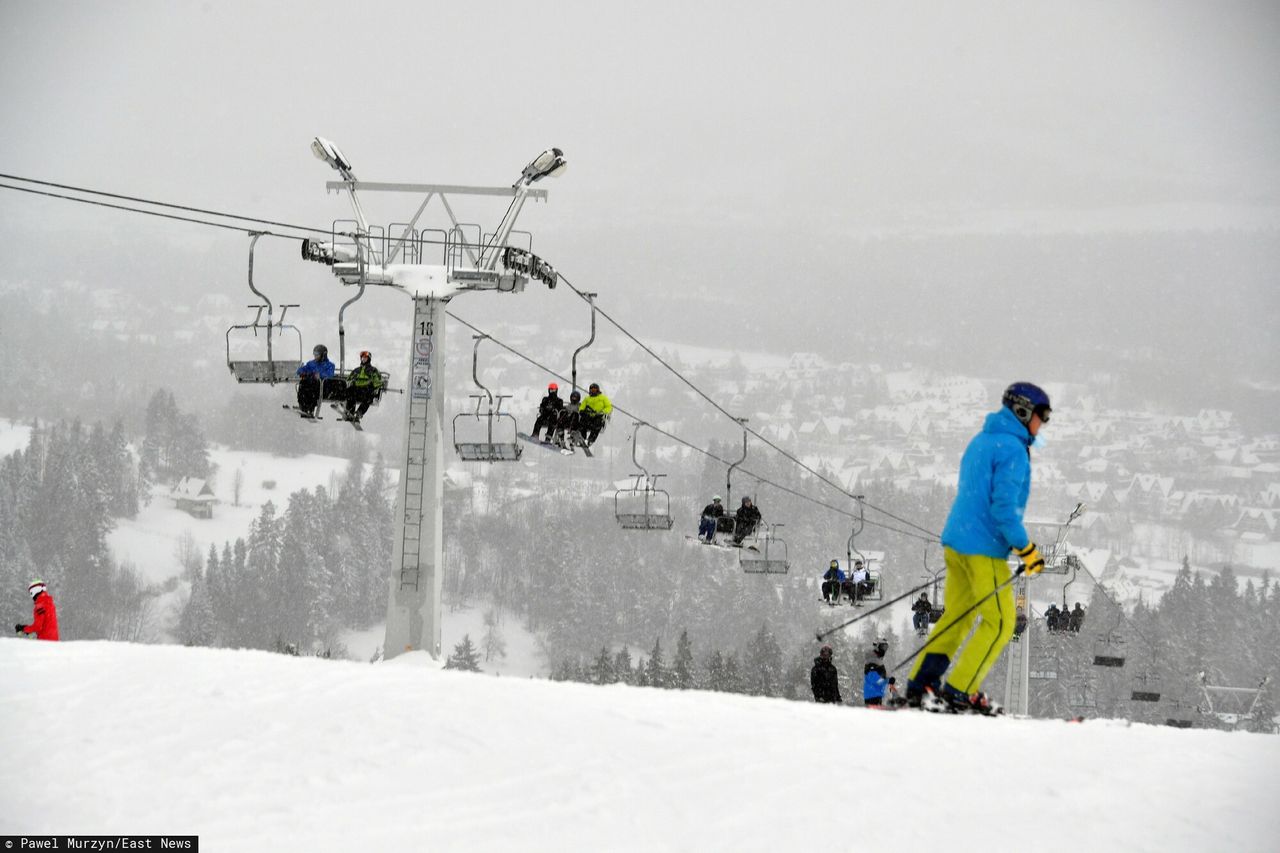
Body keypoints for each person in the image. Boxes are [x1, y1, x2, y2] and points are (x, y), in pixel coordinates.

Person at [905, 382, 1051, 714]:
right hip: (984, 549)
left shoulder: (981, 440)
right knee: (1000, 622)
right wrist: (1026, 550)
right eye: (1041, 417)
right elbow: (1003, 509)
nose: (1042, 425)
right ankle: (959, 690)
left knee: (956, 616)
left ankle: (921, 685)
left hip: (957, 542)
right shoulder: (1013, 450)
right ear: (1023, 411)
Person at [296, 344, 336, 418]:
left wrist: (320, 375)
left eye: (317, 355)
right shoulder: (311, 363)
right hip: (310, 383)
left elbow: (330, 374)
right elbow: (301, 370)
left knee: (314, 385)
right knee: (303, 383)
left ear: (323, 355)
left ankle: (310, 409)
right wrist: (301, 371)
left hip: (322, 387)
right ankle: (302, 405)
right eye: (314, 354)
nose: (315, 357)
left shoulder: (330, 365)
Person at [343, 350, 384, 422]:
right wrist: (351, 382)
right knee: (350, 392)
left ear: (369, 359)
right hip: (357, 389)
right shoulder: (356, 370)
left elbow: (378, 381)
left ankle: (359, 412)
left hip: (366, 390)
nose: (363, 359)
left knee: (369, 396)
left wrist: (372, 383)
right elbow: (349, 379)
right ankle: (350, 411)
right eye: (362, 358)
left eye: (365, 358)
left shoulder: (373, 370)